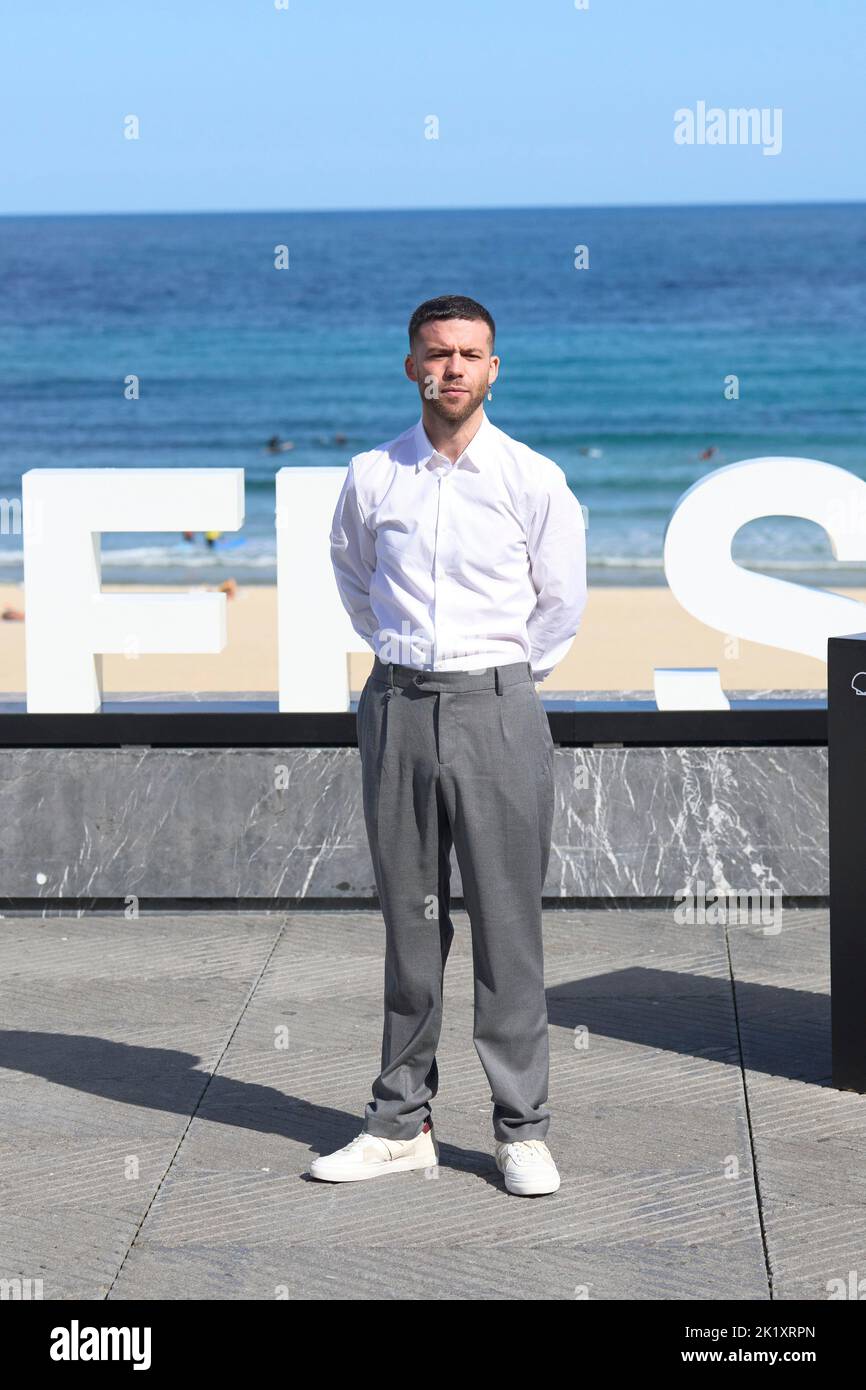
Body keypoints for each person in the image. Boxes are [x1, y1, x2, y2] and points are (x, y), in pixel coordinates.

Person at [318, 294, 587, 1197]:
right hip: (395, 705)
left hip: (499, 707)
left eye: (471, 353)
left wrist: (498, 681)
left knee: (510, 927)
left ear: (494, 368)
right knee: (410, 924)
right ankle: (400, 1124)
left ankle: (522, 1131)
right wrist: (409, 666)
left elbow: (560, 607)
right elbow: (355, 580)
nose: (454, 368)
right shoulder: (371, 476)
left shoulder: (533, 479)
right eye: (438, 353)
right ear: (412, 367)